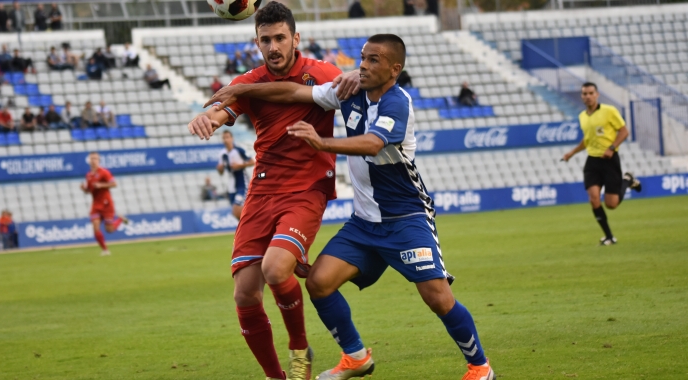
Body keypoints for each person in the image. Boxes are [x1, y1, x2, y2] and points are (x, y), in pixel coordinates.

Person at [207, 33, 497, 380]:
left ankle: (480, 367)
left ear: (394, 69)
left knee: (437, 296)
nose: (363, 65)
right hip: (363, 224)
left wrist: (322, 142)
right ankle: (356, 356)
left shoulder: (397, 102)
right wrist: (241, 90)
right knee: (318, 282)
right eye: (362, 57)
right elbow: (294, 92)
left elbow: (373, 144)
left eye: (374, 59)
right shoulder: (350, 91)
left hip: (405, 218)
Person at [188, 3, 345, 379]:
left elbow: (357, 93)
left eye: (279, 38)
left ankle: (299, 351)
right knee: (244, 294)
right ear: (255, 42)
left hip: (306, 190)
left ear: (296, 39)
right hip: (261, 192)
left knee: (276, 270)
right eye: (265, 40)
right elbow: (222, 111)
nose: (273, 47)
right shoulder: (250, 82)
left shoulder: (322, 74)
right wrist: (205, 117)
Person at [562, 82, 642, 246]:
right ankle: (609, 237)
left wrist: (611, 148)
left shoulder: (609, 111)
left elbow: (624, 131)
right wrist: (571, 153)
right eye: (585, 93)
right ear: (581, 96)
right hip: (592, 162)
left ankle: (627, 180)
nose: (588, 96)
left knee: (611, 204)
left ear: (597, 94)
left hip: (609, 160)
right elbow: (587, 140)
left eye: (591, 93)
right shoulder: (582, 116)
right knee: (593, 199)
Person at [80, 152, 129, 256]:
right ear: (89, 160)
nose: (93, 161)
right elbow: (90, 190)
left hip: (106, 204)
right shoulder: (88, 175)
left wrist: (101, 185)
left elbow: (114, 184)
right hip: (96, 205)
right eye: (92, 158)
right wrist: (84, 189)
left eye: (95, 159)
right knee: (95, 226)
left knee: (109, 230)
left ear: (99, 160)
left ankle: (120, 219)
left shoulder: (104, 172)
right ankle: (105, 250)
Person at [217, 130, 254, 220]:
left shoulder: (238, 150)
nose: (226, 140)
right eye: (224, 138)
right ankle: (245, 232)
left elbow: (252, 162)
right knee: (237, 214)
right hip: (231, 186)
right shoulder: (222, 154)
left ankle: (250, 228)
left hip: (241, 183)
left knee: (236, 209)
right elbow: (221, 173)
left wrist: (240, 165)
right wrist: (220, 169)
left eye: (227, 137)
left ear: (232, 138)